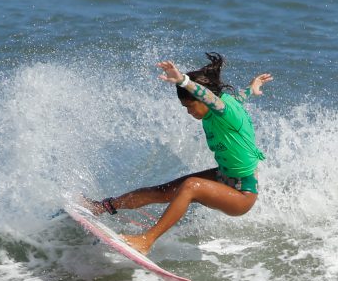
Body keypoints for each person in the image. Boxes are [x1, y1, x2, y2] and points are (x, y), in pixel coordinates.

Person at [84, 53, 271, 255]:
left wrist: (183, 80)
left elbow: (209, 98)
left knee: (190, 186)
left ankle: (146, 241)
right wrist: (251, 89)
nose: (188, 112)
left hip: (242, 194)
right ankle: (101, 206)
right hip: (223, 176)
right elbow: (238, 99)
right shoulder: (226, 106)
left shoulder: (223, 110)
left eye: (190, 105)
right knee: (163, 191)